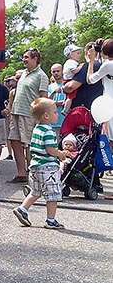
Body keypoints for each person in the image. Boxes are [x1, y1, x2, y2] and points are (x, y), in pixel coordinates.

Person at [12, 97, 71, 229]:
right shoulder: (49, 130)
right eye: (55, 112)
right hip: (47, 167)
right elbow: (50, 149)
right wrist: (60, 154)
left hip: (35, 166)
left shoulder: (37, 129)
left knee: (35, 191)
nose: (57, 114)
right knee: (53, 195)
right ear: (46, 115)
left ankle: (23, 209)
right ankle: (51, 220)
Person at [7, 48, 49, 184]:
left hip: (29, 114)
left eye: (26, 57)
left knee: (30, 144)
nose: (24, 60)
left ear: (35, 59)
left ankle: (34, 174)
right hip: (16, 112)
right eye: (24, 57)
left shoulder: (41, 76)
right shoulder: (24, 73)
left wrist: (42, 117)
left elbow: (43, 98)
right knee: (14, 141)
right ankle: (21, 173)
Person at [86, 38, 113, 200]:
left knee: (110, 144)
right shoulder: (107, 64)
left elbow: (91, 79)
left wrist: (90, 61)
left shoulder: (108, 65)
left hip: (109, 106)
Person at [61, 44, 83, 116]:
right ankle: (66, 109)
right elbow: (75, 71)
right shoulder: (71, 62)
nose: (79, 55)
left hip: (66, 81)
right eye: (77, 53)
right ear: (71, 54)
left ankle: (65, 104)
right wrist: (81, 66)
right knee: (70, 97)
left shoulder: (69, 62)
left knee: (68, 96)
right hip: (69, 81)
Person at [48, 63, 66, 135]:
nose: (56, 73)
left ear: (62, 71)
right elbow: (47, 102)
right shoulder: (50, 87)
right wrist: (53, 92)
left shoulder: (67, 85)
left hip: (65, 121)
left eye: (58, 71)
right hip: (53, 123)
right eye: (54, 71)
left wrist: (55, 103)